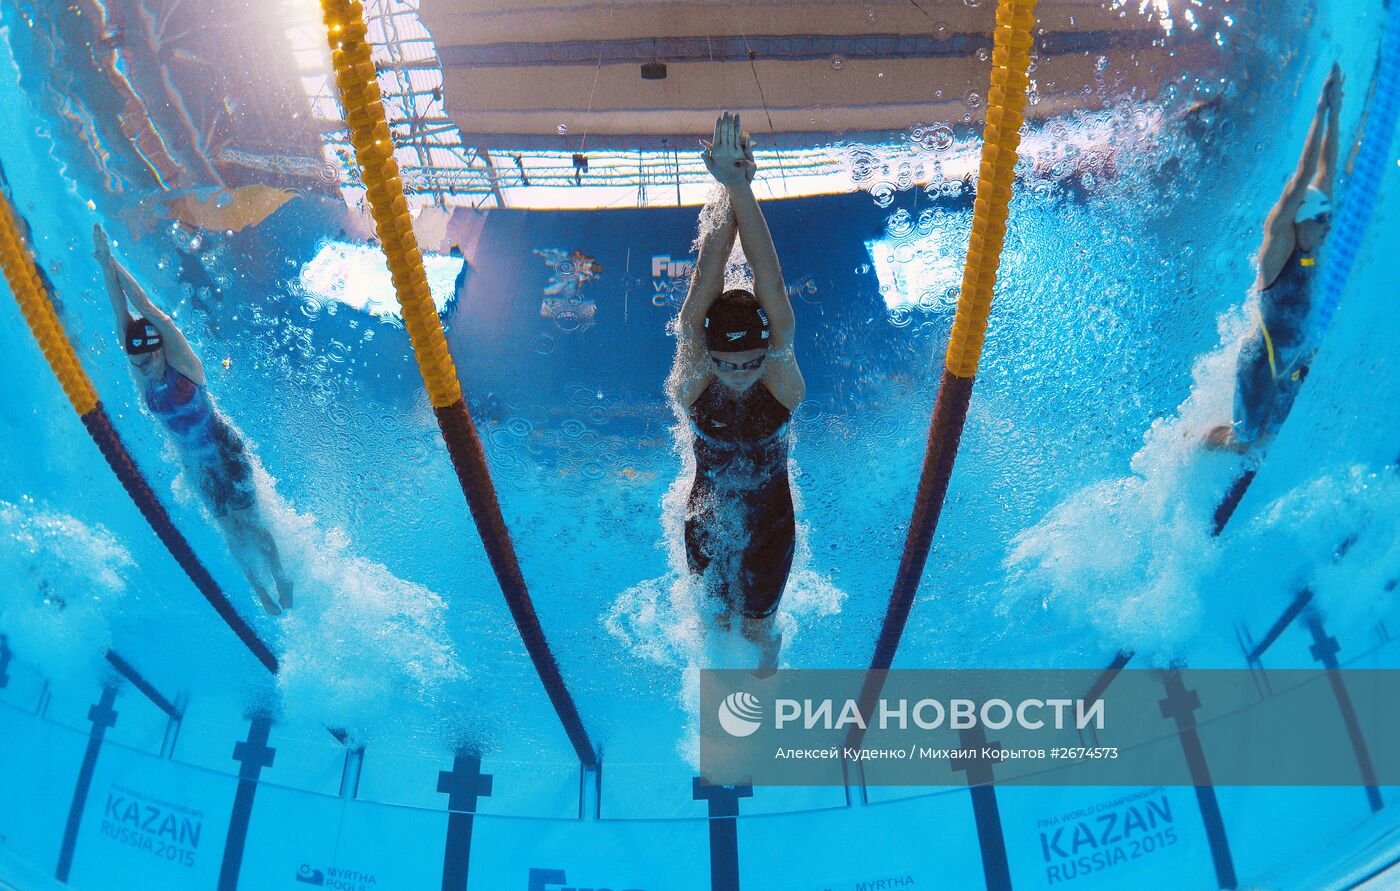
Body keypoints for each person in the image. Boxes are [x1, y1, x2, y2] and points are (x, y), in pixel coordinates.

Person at [93, 224, 293, 615]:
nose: (144, 368)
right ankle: (261, 591)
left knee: (249, 522)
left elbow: (147, 310)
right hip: (196, 466)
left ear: (161, 352)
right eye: (137, 362)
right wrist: (104, 264)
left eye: (149, 359)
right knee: (229, 531)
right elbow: (122, 315)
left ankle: (280, 574)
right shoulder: (142, 374)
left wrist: (115, 261)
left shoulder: (185, 366)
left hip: (223, 445)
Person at [668, 112, 805, 675]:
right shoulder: (694, 378)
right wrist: (729, 185)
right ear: (708, 354)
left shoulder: (781, 377)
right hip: (705, 523)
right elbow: (707, 281)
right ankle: (720, 714)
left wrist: (740, 187)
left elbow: (768, 282)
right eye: (729, 363)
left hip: (772, 530)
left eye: (751, 359)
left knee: (759, 633)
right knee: (714, 625)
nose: (744, 372)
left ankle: (766, 704)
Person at [1208, 64, 1343, 452]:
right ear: (1298, 221)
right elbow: (1302, 178)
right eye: (1320, 220)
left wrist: (1336, 113)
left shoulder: (1310, 244)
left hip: (1296, 363)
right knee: (1242, 440)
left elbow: (1325, 171)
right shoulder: (1279, 248)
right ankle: (1189, 448)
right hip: (1263, 361)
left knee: (1272, 435)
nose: (1327, 227)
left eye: (1328, 219)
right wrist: (1319, 112)